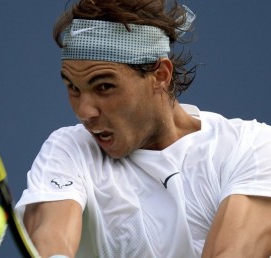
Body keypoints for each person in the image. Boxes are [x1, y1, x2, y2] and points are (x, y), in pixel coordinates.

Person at [15, 0, 271, 257]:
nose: (85, 112)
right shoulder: (69, 149)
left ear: (160, 75)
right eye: (73, 88)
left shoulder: (250, 146)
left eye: (104, 86)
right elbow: (50, 237)